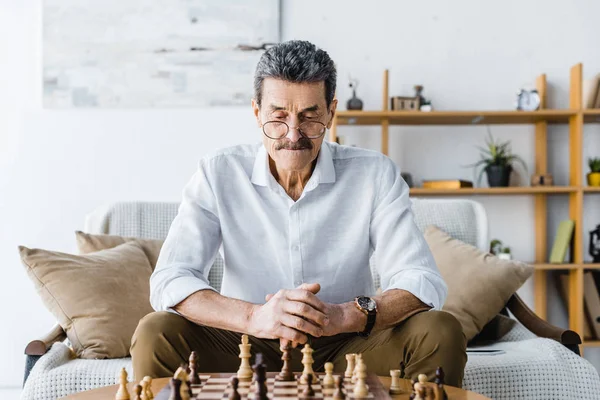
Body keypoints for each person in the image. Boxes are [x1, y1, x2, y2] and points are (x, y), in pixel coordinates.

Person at [131, 40, 467, 387]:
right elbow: (171, 279)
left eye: (309, 118)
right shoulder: (218, 172)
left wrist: (345, 315)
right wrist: (254, 316)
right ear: (256, 111)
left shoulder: (375, 173)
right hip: (244, 341)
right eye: (278, 117)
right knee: (157, 331)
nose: (293, 135)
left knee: (439, 330)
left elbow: (421, 281)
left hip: (348, 344)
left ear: (331, 113)